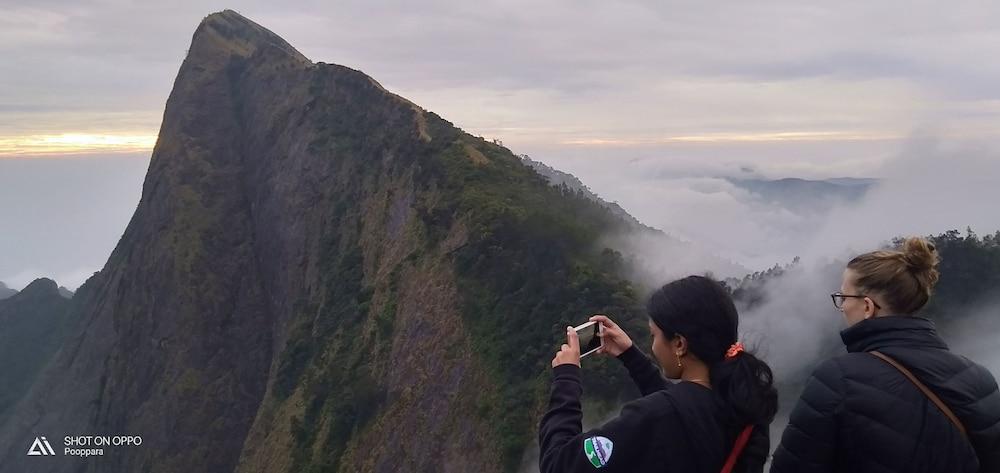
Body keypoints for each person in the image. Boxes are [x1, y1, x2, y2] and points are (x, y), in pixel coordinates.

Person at [771, 237, 1000, 473]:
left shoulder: (837, 380)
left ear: (868, 307)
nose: (842, 307)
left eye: (843, 297)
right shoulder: (981, 380)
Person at [539, 275, 778, 473]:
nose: (652, 346)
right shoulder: (743, 400)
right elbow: (688, 412)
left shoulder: (655, 417)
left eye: (654, 335)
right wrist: (630, 355)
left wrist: (566, 379)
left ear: (680, 344)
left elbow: (558, 464)